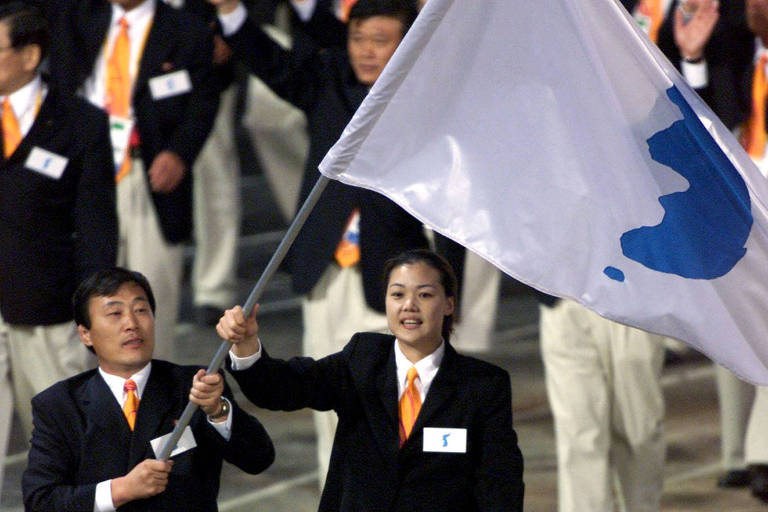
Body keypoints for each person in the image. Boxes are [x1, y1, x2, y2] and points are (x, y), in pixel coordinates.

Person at [208, 0, 429, 483]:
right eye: (358, 39)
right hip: (325, 271)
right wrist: (230, 12)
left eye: (380, 40)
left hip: (390, 278)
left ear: (407, 44)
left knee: (391, 408)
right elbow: (271, 62)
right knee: (325, 399)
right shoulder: (329, 79)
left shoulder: (428, 101)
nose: (366, 52)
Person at [217, 249, 524, 511]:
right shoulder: (362, 359)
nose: (409, 305)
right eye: (398, 294)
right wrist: (246, 346)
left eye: (425, 294)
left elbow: (499, 484)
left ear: (449, 305)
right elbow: (285, 388)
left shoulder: (483, 386)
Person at [46, 0, 220, 359]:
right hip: (82, 176)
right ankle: (95, 404)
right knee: (87, 293)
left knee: (149, 297)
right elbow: (59, 90)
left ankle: (152, 401)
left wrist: (179, 153)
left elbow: (203, 102)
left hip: (146, 175)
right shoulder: (77, 19)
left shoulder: (186, 30)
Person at [22, 267, 274, 511]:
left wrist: (218, 411)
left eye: (141, 310)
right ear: (85, 334)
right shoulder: (58, 405)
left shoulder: (196, 384)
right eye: (115, 314)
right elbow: (41, 500)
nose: (131, 323)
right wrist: (121, 489)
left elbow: (258, 459)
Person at [0, 1, 117, 490]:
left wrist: (89, 312)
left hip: (48, 315)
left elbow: (96, 228)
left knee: (62, 454)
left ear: (29, 56)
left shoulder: (80, 123)